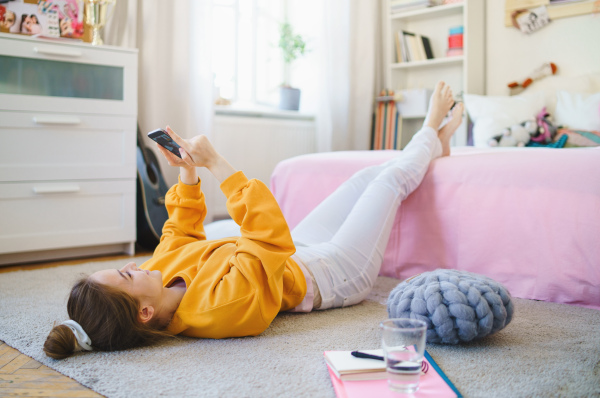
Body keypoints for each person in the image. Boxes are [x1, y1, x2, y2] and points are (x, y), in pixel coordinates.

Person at [43, 82, 463, 359]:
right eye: (126, 275)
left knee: (363, 178)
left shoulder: (155, 275)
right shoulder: (219, 310)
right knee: (387, 181)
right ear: (146, 314)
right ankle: (428, 131)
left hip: (298, 252)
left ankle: (431, 150)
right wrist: (218, 165)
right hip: (333, 276)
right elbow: (267, 238)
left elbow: (179, 232)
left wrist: (188, 172)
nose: (136, 265)